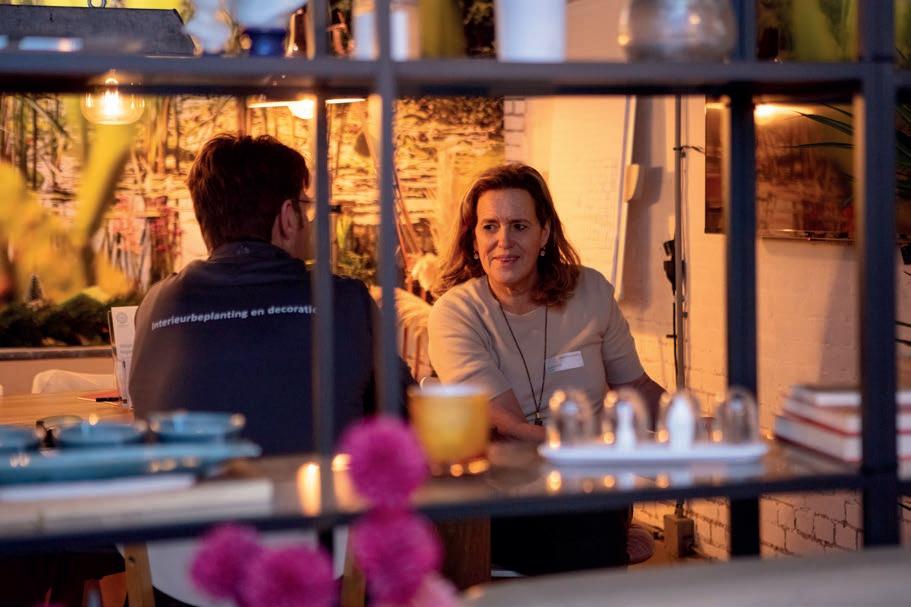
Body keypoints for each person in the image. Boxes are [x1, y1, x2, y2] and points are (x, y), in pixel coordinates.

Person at [428, 162, 665, 574]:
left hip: (590, 491)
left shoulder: (590, 291)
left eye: (519, 226)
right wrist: (595, 448)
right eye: (490, 226)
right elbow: (508, 427)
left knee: (595, 523)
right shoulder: (456, 313)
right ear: (473, 238)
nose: (504, 241)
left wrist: (698, 425)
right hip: (506, 496)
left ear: (544, 234)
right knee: (588, 540)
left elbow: (637, 388)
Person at [130, 133, 410, 455]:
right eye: (305, 206)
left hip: (187, 487)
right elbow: (404, 413)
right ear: (288, 217)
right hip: (309, 487)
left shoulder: (156, 304)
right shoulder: (343, 300)